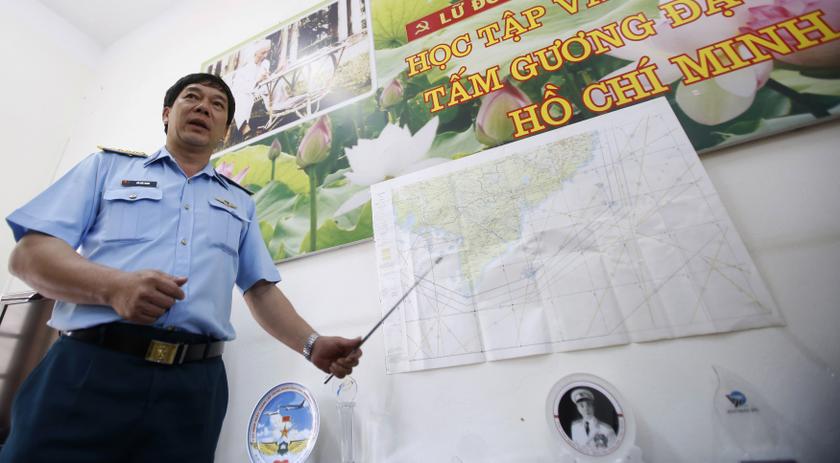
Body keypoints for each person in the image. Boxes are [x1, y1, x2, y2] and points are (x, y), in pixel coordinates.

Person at [0, 73, 362, 462]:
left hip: (193, 389)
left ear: (225, 132)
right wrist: (113, 287)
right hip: (90, 367)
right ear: (167, 113)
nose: (204, 106)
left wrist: (311, 344)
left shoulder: (241, 203)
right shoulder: (106, 168)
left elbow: (260, 289)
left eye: (217, 105)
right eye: (193, 97)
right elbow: (29, 255)